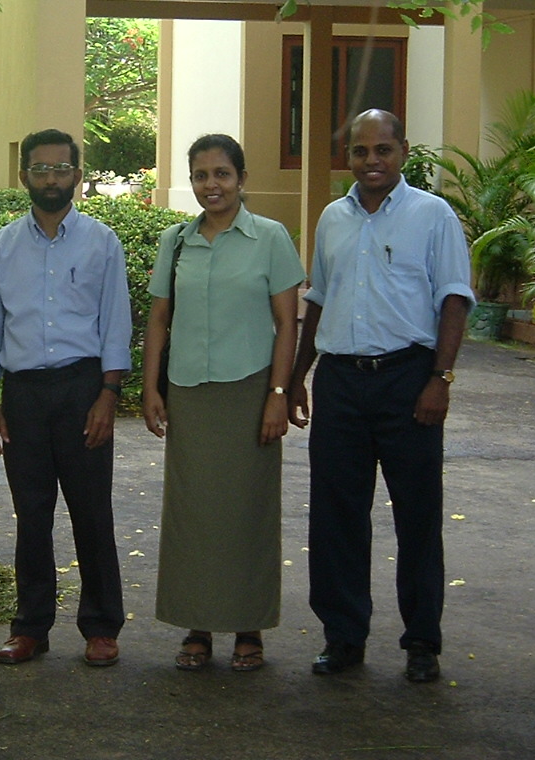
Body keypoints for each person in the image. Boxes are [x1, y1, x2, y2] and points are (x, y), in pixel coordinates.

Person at [288, 109, 473, 684]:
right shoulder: (331, 218)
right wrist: (297, 376)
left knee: (417, 515)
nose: (373, 161)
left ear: (404, 152)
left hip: (408, 379)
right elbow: (318, 297)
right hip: (341, 381)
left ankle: (422, 642)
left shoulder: (433, 215)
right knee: (337, 516)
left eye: (384, 150)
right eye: (362, 151)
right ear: (348, 155)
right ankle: (344, 636)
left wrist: (439, 380)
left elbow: (454, 300)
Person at [142, 133, 305, 671]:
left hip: (250, 390)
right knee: (193, 513)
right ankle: (196, 625)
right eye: (200, 175)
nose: (211, 185)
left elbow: (287, 324)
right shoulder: (177, 241)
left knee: (248, 512)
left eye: (221, 174)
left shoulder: (270, 237)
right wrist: (151, 388)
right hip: (189, 393)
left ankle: (249, 626)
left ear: (241, 179)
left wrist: (278, 395)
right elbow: (159, 321)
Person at [0, 128, 132, 667]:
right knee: (32, 514)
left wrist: (107, 396)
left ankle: (101, 626)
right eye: (40, 169)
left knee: (92, 513)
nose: (50, 179)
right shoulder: (2, 246)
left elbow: (115, 324)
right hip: (22, 396)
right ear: (24, 177)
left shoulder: (101, 243)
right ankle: (31, 627)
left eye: (61, 169)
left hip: (82, 388)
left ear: (77, 175)